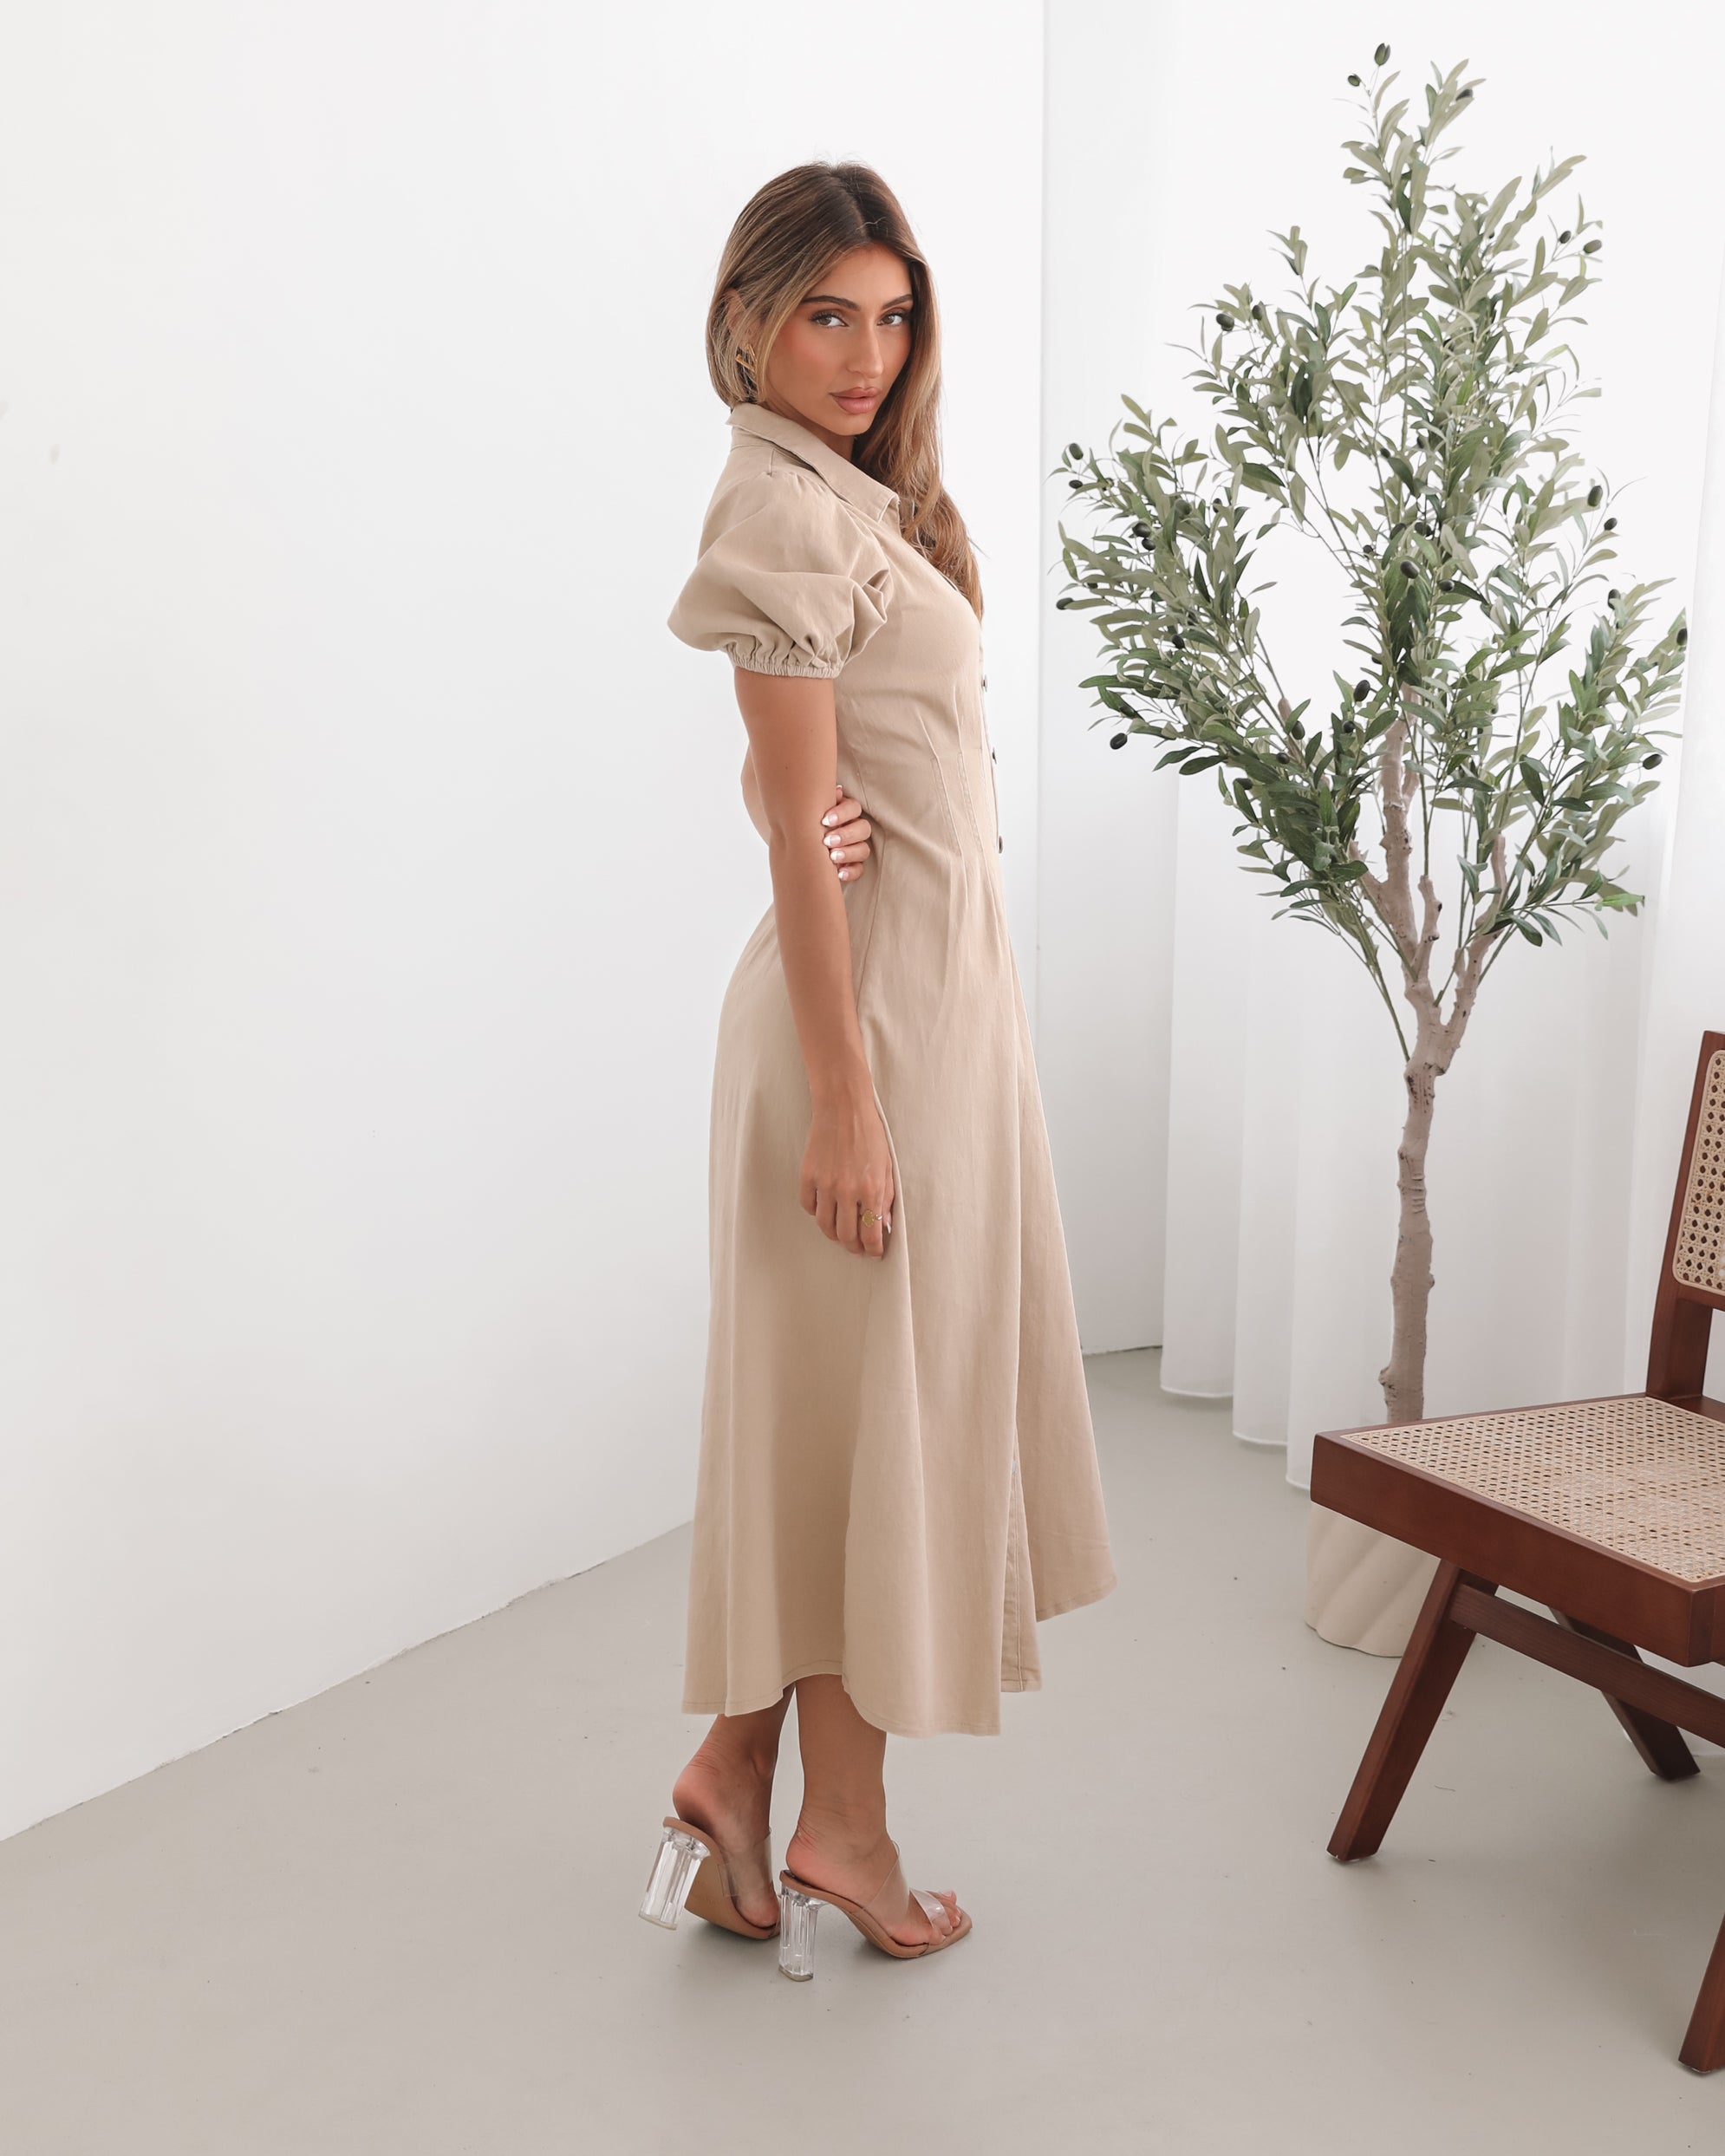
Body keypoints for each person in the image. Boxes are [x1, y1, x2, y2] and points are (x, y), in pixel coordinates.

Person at [639, 162, 1115, 1981]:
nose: (863, 349)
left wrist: (793, 806)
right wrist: (845, 1095)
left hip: (929, 1014)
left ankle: (734, 1778)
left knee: (849, 1430)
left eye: (890, 311)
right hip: (866, 1042)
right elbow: (785, 803)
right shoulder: (773, 507)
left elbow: (808, 776)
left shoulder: (851, 497)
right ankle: (846, 1827)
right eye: (825, 312)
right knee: (870, 1440)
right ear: (748, 316)